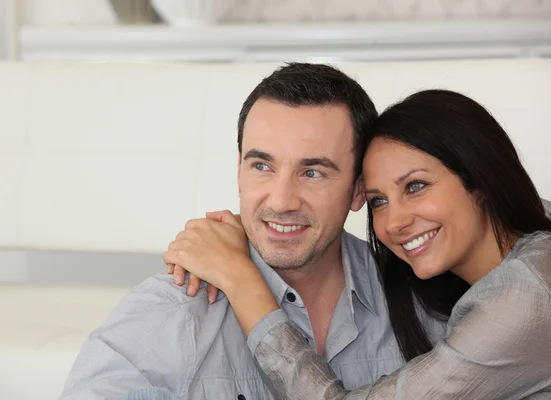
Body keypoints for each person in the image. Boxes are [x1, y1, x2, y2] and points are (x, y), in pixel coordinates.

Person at [60, 63, 446, 400]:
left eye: (312, 172)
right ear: (239, 170)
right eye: (262, 166)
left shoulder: (422, 303)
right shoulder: (175, 312)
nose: (280, 201)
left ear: (358, 189)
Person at [163, 89, 551, 399]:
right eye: (379, 201)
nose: (395, 222)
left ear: (480, 179)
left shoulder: (527, 295)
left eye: (416, 186)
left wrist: (242, 279)